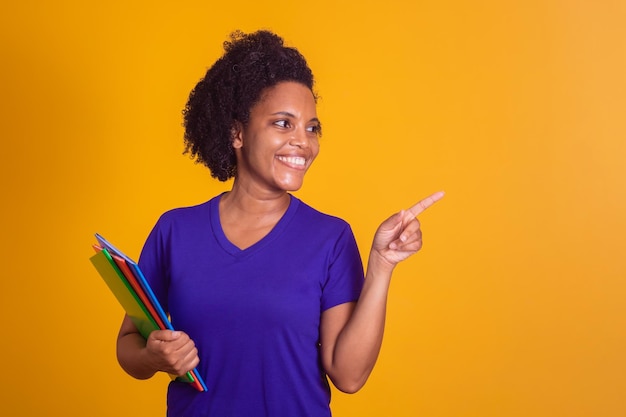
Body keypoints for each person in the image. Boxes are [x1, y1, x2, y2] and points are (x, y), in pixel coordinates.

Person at [116, 29, 444, 417]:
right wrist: (154, 356)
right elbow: (128, 345)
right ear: (237, 132)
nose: (303, 142)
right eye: (283, 123)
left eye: (312, 127)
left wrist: (382, 266)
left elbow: (349, 376)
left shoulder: (331, 238)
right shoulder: (174, 231)